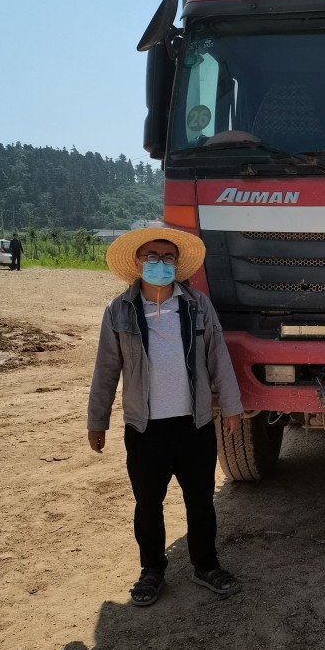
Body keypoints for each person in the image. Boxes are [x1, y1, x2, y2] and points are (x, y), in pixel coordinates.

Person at [87, 227, 245, 607]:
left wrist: (231, 406)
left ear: (178, 264)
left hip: (195, 424)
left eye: (168, 258)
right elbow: (106, 369)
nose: (160, 264)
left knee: (200, 501)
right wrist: (97, 420)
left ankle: (205, 565)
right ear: (138, 263)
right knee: (148, 504)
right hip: (145, 428)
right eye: (152, 257)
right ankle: (152, 570)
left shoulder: (197, 305)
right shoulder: (119, 311)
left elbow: (218, 357)